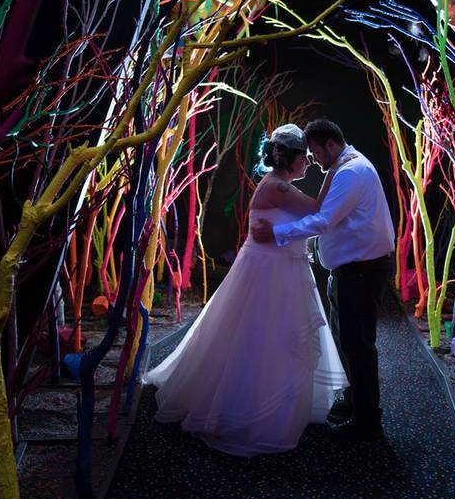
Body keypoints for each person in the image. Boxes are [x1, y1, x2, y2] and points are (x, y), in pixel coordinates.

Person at [144, 124, 348, 457]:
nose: (309, 163)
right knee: (260, 337)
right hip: (270, 272)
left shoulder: (277, 185)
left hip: (280, 267)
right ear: (290, 157)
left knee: (270, 337)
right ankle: (250, 405)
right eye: (305, 157)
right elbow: (317, 211)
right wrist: (336, 168)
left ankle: (278, 399)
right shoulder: (277, 188)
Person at [251, 119, 395, 441]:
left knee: (358, 345)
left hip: (360, 271)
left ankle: (367, 421)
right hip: (350, 270)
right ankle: (357, 402)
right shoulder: (346, 168)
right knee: (349, 340)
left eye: (314, 151)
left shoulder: (349, 173)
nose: (312, 159)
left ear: (330, 144)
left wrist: (276, 234)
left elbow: (323, 219)